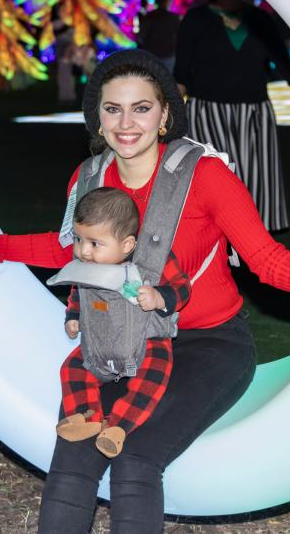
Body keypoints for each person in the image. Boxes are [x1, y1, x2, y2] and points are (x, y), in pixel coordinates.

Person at [0, 49, 290, 532]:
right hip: (121, 341)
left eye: (141, 108)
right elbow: (72, 249)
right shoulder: (89, 178)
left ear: (164, 114)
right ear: (97, 117)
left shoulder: (205, 175)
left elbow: (264, 258)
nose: (126, 123)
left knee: (135, 456)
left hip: (208, 343)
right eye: (113, 109)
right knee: (73, 454)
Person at [174, 0, 290, 232]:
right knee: (218, 180)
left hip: (255, 115)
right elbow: (181, 75)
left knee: (259, 182)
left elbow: (287, 68)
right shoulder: (196, 19)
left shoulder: (260, 20)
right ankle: (216, 240)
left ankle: (253, 242)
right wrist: (167, 119)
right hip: (207, 114)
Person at [51, 187, 189, 459]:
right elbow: (78, 294)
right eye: (78, 239)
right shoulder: (86, 266)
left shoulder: (153, 261)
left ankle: (117, 428)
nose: (83, 251)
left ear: (126, 245)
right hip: (102, 341)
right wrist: (73, 317)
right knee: (73, 368)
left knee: (152, 379)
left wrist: (159, 297)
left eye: (94, 243)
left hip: (146, 339)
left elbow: (182, 287)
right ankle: (87, 416)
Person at [136, 0, 180, 72]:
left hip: (151, 57)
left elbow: (140, 38)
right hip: (169, 58)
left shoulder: (149, 17)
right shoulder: (174, 18)